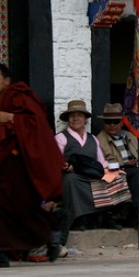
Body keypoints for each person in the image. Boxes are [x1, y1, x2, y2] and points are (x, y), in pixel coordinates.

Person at [0, 63, 64, 268]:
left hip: (18, 162)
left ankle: (48, 233)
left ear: (7, 81)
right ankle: (2, 252)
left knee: (20, 206)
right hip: (1, 163)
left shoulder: (19, 96)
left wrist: (13, 118)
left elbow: (39, 124)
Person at [56, 99, 125, 231]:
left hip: (91, 175)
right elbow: (55, 159)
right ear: (68, 119)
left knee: (118, 178)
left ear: (85, 119)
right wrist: (64, 165)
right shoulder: (61, 137)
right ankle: (78, 219)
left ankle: (107, 216)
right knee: (71, 180)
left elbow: (102, 162)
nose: (76, 118)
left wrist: (116, 170)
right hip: (73, 176)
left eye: (79, 115)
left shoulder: (92, 138)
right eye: (72, 115)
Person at [96, 102, 139, 227]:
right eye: (108, 122)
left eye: (115, 121)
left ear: (121, 122)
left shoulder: (131, 136)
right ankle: (133, 214)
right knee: (136, 175)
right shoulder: (99, 139)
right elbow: (102, 162)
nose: (112, 125)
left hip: (135, 168)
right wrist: (124, 163)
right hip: (114, 170)